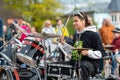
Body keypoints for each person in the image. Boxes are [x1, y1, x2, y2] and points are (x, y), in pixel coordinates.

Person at [56, 12, 105, 80]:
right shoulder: (76, 35)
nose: (73, 23)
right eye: (73, 21)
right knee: (55, 65)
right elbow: (73, 52)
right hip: (75, 62)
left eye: (76, 21)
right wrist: (63, 44)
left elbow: (101, 53)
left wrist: (88, 53)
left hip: (90, 64)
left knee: (82, 66)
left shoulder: (93, 35)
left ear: (83, 21)